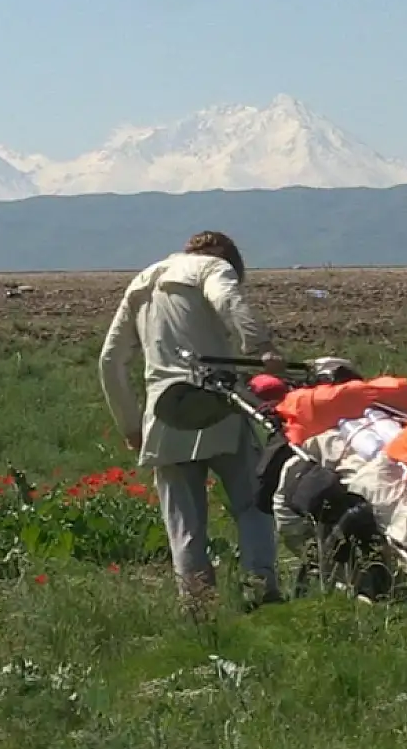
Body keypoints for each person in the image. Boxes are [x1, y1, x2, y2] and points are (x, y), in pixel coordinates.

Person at [98, 230, 287, 605]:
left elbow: (110, 360)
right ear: (225, 256)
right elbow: (229, 302)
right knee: (252, 503)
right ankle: (260, 590)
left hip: (165, 413)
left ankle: (197, 605)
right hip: (219, 404)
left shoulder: (141, 282)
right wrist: (261, 347)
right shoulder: (212, 268)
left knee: (183, 521)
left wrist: (130, 425)